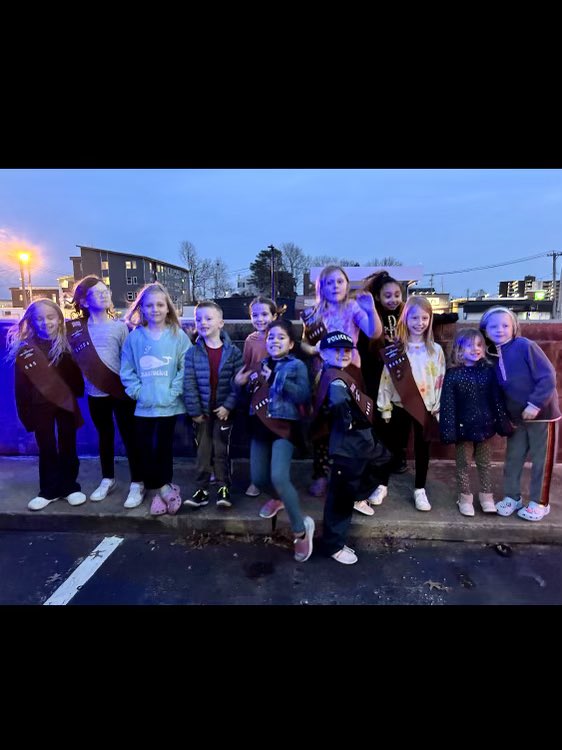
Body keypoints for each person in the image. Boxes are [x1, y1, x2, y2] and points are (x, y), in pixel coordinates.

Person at [358, 270, 458, 474]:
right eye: (388, 296)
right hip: (378, 372)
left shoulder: (406, 311)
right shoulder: (373, 313)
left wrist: (448, 316)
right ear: (378, 297)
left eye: (397, 294)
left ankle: (399, 456)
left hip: (404, 372)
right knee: (384, 420)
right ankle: (382, 457)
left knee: (407, 417)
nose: (393, 299)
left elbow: (424, 316)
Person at [234, 319, 315, 562]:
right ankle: (279, 498)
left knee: (279, 476)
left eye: (281, 337)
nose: (275, 341)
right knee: (258, 478)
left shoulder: (297, 365)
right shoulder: (260, 364)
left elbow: (302, 395)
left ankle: (301, 530)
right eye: (271, 337)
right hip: (259, 426)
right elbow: (248, 396)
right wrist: (238, 385)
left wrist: (275, 379)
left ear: (291, 344)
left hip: (283, 427)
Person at [301, 265, 382, 496]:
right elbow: (303, 344)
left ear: (347, 285)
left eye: (339, 281)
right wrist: (314, 348)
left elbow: (373, 333)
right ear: (321, 287)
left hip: (350, 372)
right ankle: (321, 473)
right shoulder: (314, 312)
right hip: (323, 375)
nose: (334, 286)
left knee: (350, 426)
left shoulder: (353, 307)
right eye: (329, 282)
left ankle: (348, 475)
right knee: (323, 426)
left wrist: (371, 310)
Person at [312, 331, 389, 565]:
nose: (343, 354)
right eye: (336, 350)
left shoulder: (339, 373)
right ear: (323, 353)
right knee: (340, 498)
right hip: (348, 447)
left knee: (383, 460)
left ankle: (359, 495)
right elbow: (337, 400)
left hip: (361, 443)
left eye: (346, 350)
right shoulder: (334, 379)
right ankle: (333, 545)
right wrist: (348, 419)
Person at [68, 275, 145, 508]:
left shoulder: (121, 327)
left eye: (106, 291)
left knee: (131, 436)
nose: (104, 295)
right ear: (83, 301)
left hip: (121, 392)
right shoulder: (74, 331)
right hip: (95, 393)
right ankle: (107, 478)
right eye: (97, 293)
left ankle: (137, 482)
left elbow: (130, 361)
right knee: (105, 436)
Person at [479, 306, 560, 521]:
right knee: (513, 458)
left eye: (505, 325)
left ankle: (540, 502)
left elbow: (548, 376)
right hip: (517, 419)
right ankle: (512, 497)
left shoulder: (525, 346)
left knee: (541, 460)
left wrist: (534, 404)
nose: (500, 330)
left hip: (542, 414)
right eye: (493, 326)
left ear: (514, 328)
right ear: (485, 331)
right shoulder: (492, 355)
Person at [6, 299, 86, 511]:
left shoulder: (67, 345)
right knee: (47, 446)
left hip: (65, 403)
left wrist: (77, 393)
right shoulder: (24, 351)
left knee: (68, 443)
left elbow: (77, 379)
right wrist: (26, 416)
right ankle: (49, 489)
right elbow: (20, 387)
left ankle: (70, 486)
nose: (45, 322)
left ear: (59, 319)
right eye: (39, 318)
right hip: (39, 406)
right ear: (31, 321)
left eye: (50, 317)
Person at [120, 283, 191, 515]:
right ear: (141, 308)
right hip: (144, 408)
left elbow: (185, 368)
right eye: (149, 305)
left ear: (168, 307)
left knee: (163, 450)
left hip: (169, 407)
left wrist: (173, 393)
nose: (155, 309)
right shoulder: (134, 338)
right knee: (146, 450)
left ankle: (162, 489)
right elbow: (127, 370)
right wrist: (138, 393)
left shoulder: (177, 335)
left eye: (160, 304)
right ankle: (162, 490)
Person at [373, 296, 446, 511]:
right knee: (391, 447)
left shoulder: (436, 350)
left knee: (423, 449)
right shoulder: (396, 349)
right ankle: (381, 484)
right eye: (415, 317)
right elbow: (386, 379)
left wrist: (437, 406)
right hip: (398, 405)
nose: (419, 322)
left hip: (425, 406)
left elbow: (440, 379)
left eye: (425, 318)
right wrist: (384, 405)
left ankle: (419, 489)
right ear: (405, 319)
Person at [439, 328, 513, 516]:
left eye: (479, 345)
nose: (476, 349)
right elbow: (448, 405)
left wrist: (503, 423)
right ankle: (464, 497)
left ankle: (486, 496)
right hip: (463, 430)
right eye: (470, 345)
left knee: (484, 463)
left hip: (485, 428)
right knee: (463, 464)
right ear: (458, 350)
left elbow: (496, 399)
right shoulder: (453, 375)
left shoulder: (488, 372)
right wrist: (448, 430)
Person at [183, 301, 243, 509]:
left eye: (208, 318)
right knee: (203, 452)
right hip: (203, 413)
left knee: (221, 450)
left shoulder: (233, 352)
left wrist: (228, 406)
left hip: (224, 412)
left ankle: (223, 487)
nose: (203, 322)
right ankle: (201, 490)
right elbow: (188, 383)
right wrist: (194, 411)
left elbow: (238, 383)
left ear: (221, 323)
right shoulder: (192, 353)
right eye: (199, 319)